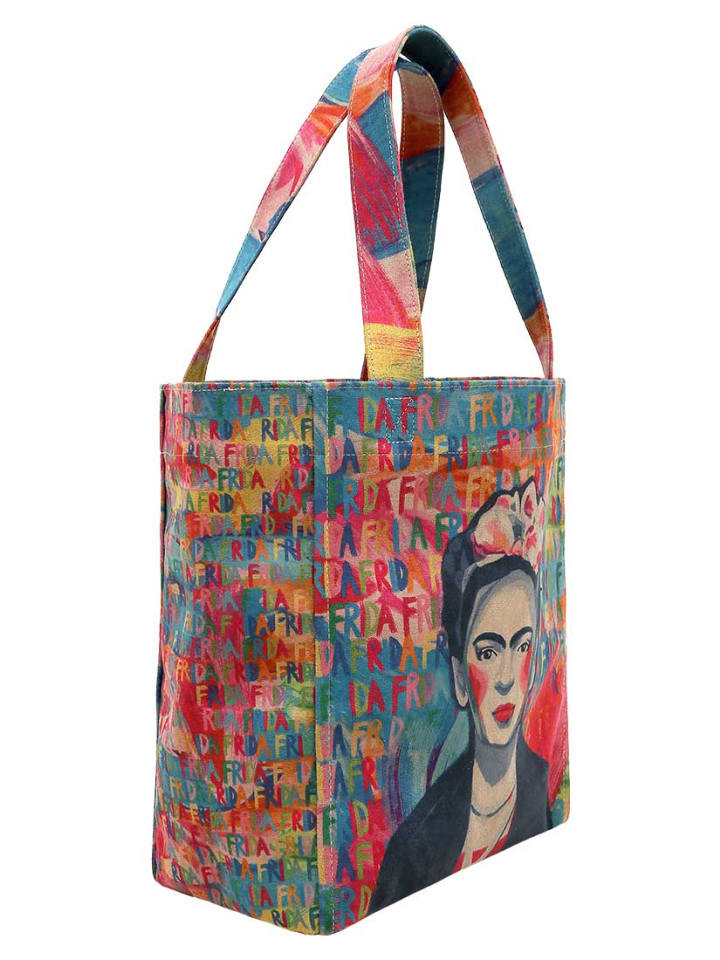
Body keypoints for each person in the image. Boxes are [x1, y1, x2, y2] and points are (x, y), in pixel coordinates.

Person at [369, 479, 552, 914]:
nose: (506, 677)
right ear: (458, 678)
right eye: (487, 652)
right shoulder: (411, 848)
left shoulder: (544, 785)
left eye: (522, 645)